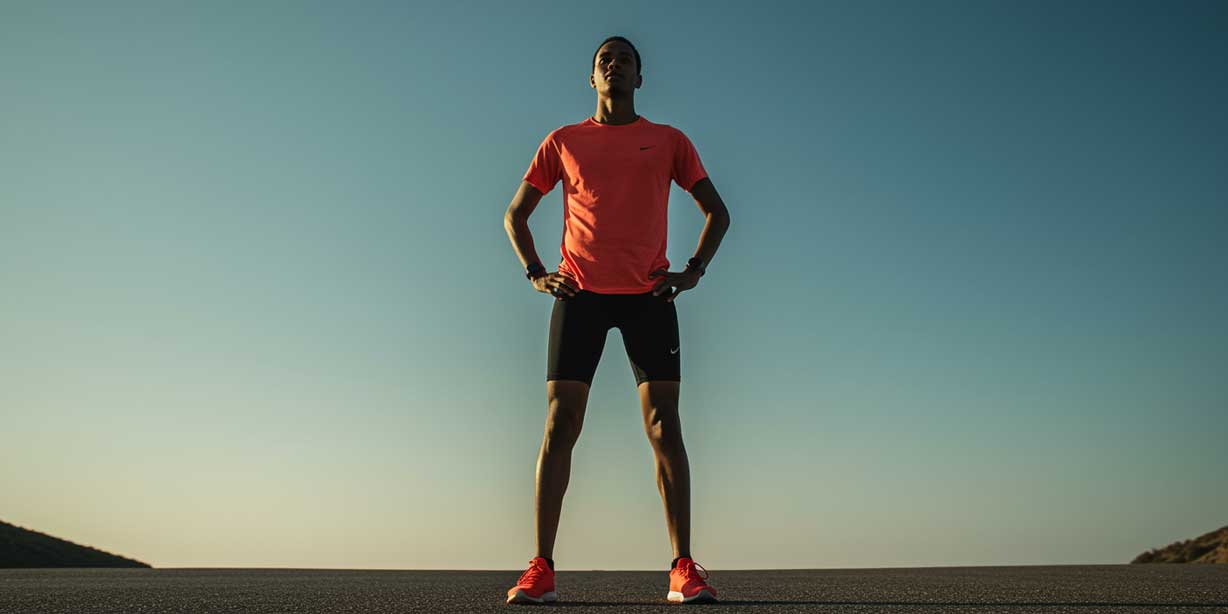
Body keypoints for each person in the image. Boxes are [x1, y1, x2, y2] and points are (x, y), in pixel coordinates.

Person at [502, 35, 731, 605]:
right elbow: (516, 215)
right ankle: (542, 568)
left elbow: (717, 212)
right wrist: (535, 273)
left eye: (625, 59)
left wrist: (693, 271)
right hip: (580, 295)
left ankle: (682, 567)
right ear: (592, 78)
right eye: (605, 60)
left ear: (639, 77)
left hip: (648, 299)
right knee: (560, 425)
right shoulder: (563, 141)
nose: (614, 66)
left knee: (664, 428)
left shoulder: (669, 141)